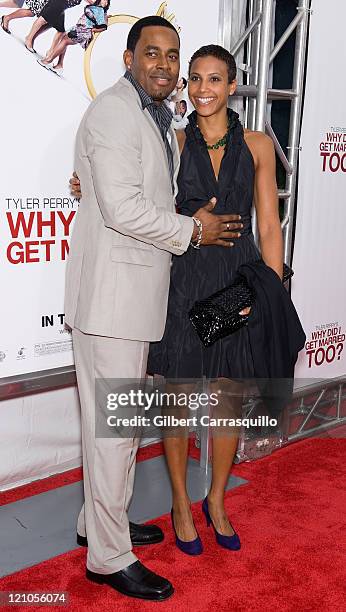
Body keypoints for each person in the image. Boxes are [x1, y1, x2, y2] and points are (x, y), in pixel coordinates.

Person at [65, 17, 242, 601]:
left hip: (130, 296)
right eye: (153, 54)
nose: (165, 66)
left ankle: (100, 525)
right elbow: (122, 208)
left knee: (112, 428)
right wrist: (193, 231)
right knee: (113, 433)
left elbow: (121, 190)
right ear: (128, 56)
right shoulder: (117, 112)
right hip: (114, 298)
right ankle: (109, 558)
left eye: (174, 56)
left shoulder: (154, 117)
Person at [37, 0, 109, 75]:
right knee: (64, 38)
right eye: (104, 0)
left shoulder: (100, 11)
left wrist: (92, 29)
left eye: (107, 1)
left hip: (84, 31)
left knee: (64, 41)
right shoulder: (97, 8)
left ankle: (48, 60)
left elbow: (103, 27)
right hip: (78, 28)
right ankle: (59, 65)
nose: (105, 2)